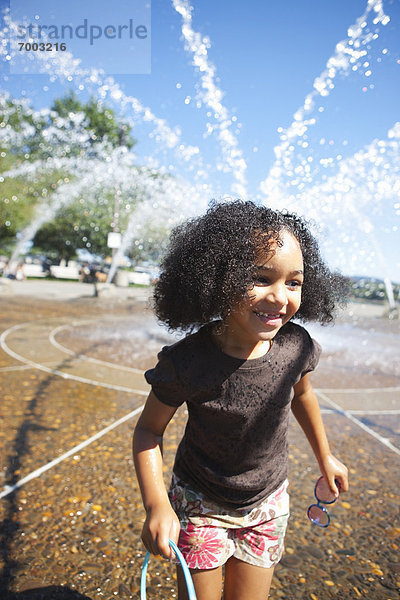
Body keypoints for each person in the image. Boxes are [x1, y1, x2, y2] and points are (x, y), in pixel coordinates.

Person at [133, 200, 349, 600]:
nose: (280, 297)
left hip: (267, 501)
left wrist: (325, 456)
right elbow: (148, 430)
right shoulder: (187, 361)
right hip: (201, 502)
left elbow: (301, 393)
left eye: (294, 282)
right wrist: (157, 505)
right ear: (217, 278)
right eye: (260, 278)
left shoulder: (295, 346)